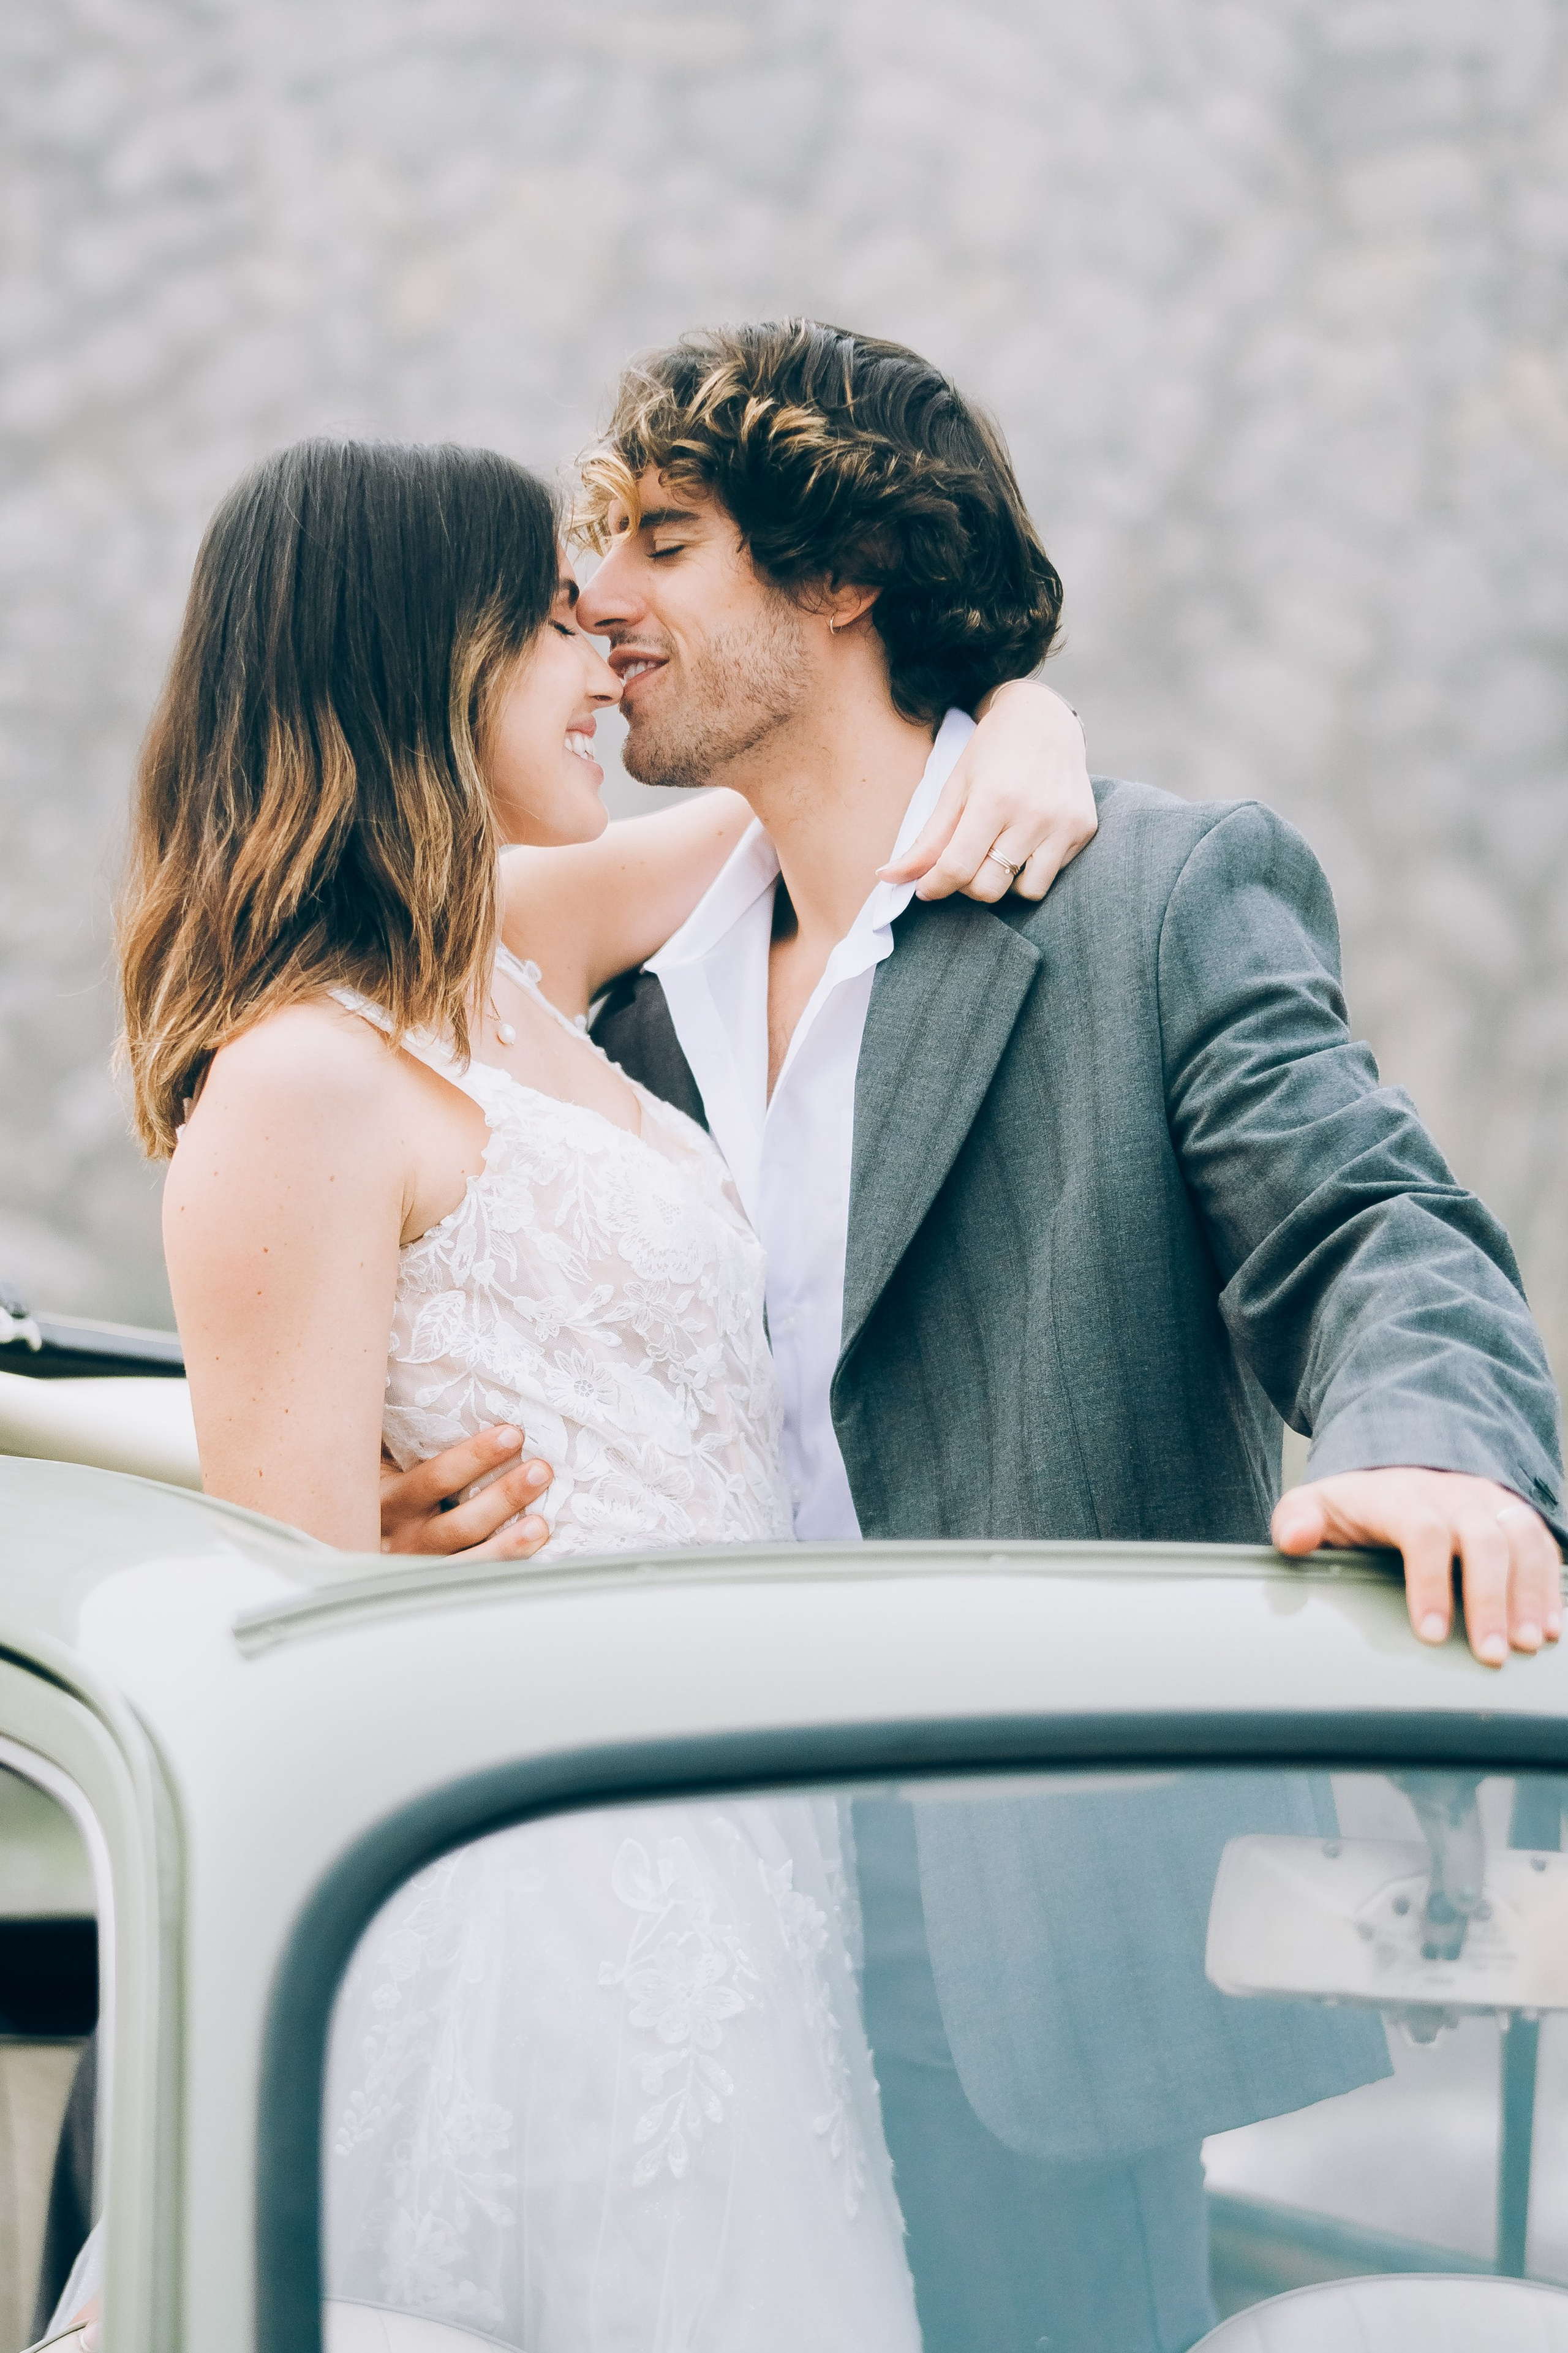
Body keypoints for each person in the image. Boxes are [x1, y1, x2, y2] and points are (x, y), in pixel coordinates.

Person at [377, 320, 1562, 2353]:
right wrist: (379, 1506)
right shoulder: (612, 985)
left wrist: (1436, 1445)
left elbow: (1375, 1226)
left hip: (1009, 1928)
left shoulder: (1153, 899)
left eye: (666, 537)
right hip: (650, 1893)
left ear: (843, 571)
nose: (596, 591)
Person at [55, 434, 1092, 2351]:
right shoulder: (298, 1080)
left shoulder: (520, 950)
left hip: (749, 1868)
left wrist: (1034, 722)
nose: (603, 656)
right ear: (416, 659)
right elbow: (277, 1656)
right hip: (525, 1911)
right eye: (547, 620)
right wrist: (360, 1553)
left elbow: (853, 788)